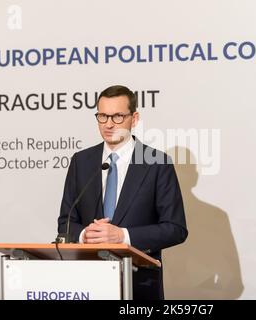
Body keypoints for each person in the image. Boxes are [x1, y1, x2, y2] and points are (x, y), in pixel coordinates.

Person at [57, 85, 188, 300]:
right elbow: (66, 223)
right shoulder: (81, 161)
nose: (109, 124)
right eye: (102, 116)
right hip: (87, 284)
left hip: (140, 286)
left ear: (134, 119)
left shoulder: (157, 163)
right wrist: (84, 235)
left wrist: (122, 236)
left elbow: (175, 229)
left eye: (117, 116)